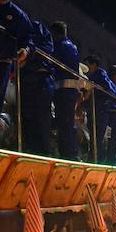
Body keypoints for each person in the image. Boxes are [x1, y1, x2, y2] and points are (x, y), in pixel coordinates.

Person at [20, 20, 56, 155]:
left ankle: (43, 151)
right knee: (28, 115)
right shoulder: (22, 31)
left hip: (41, 79)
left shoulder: (36, 28)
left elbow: (45, 51)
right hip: (28, 78)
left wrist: (29, 57)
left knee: (41, 117)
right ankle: (32, 149)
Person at [49, 21, 82, 160]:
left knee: (64, 122)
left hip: (63, 89)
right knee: (68, 122)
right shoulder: (72, 46)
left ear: (55, 33)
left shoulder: (59, 45)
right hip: (71, 90)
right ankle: (71, 152)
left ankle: (68, 154)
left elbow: (51, 62)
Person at [82, 55, 116, 164]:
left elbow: (110, 90)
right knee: (95, 137)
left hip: (99, 110)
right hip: (98, 110)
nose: (86, 68)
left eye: (87, 65)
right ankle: (95, 159)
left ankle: (95, 160)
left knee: (97, 137)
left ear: (94, 64)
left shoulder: (99, 74)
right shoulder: (100, 75)